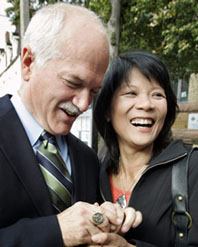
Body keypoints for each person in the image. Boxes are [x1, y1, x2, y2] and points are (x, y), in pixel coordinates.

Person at [0, 3, 143, 247]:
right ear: (27, 63)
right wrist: (54, 231)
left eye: (94, 91)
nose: (84, 103)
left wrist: (107, 221)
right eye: (73, 83)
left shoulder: (86, 158)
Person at [94, 50, 198, 246]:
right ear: (107, 110)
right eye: (131, 93)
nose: (146, 104)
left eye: (157, 94)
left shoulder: (192, 168)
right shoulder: (94, 173)